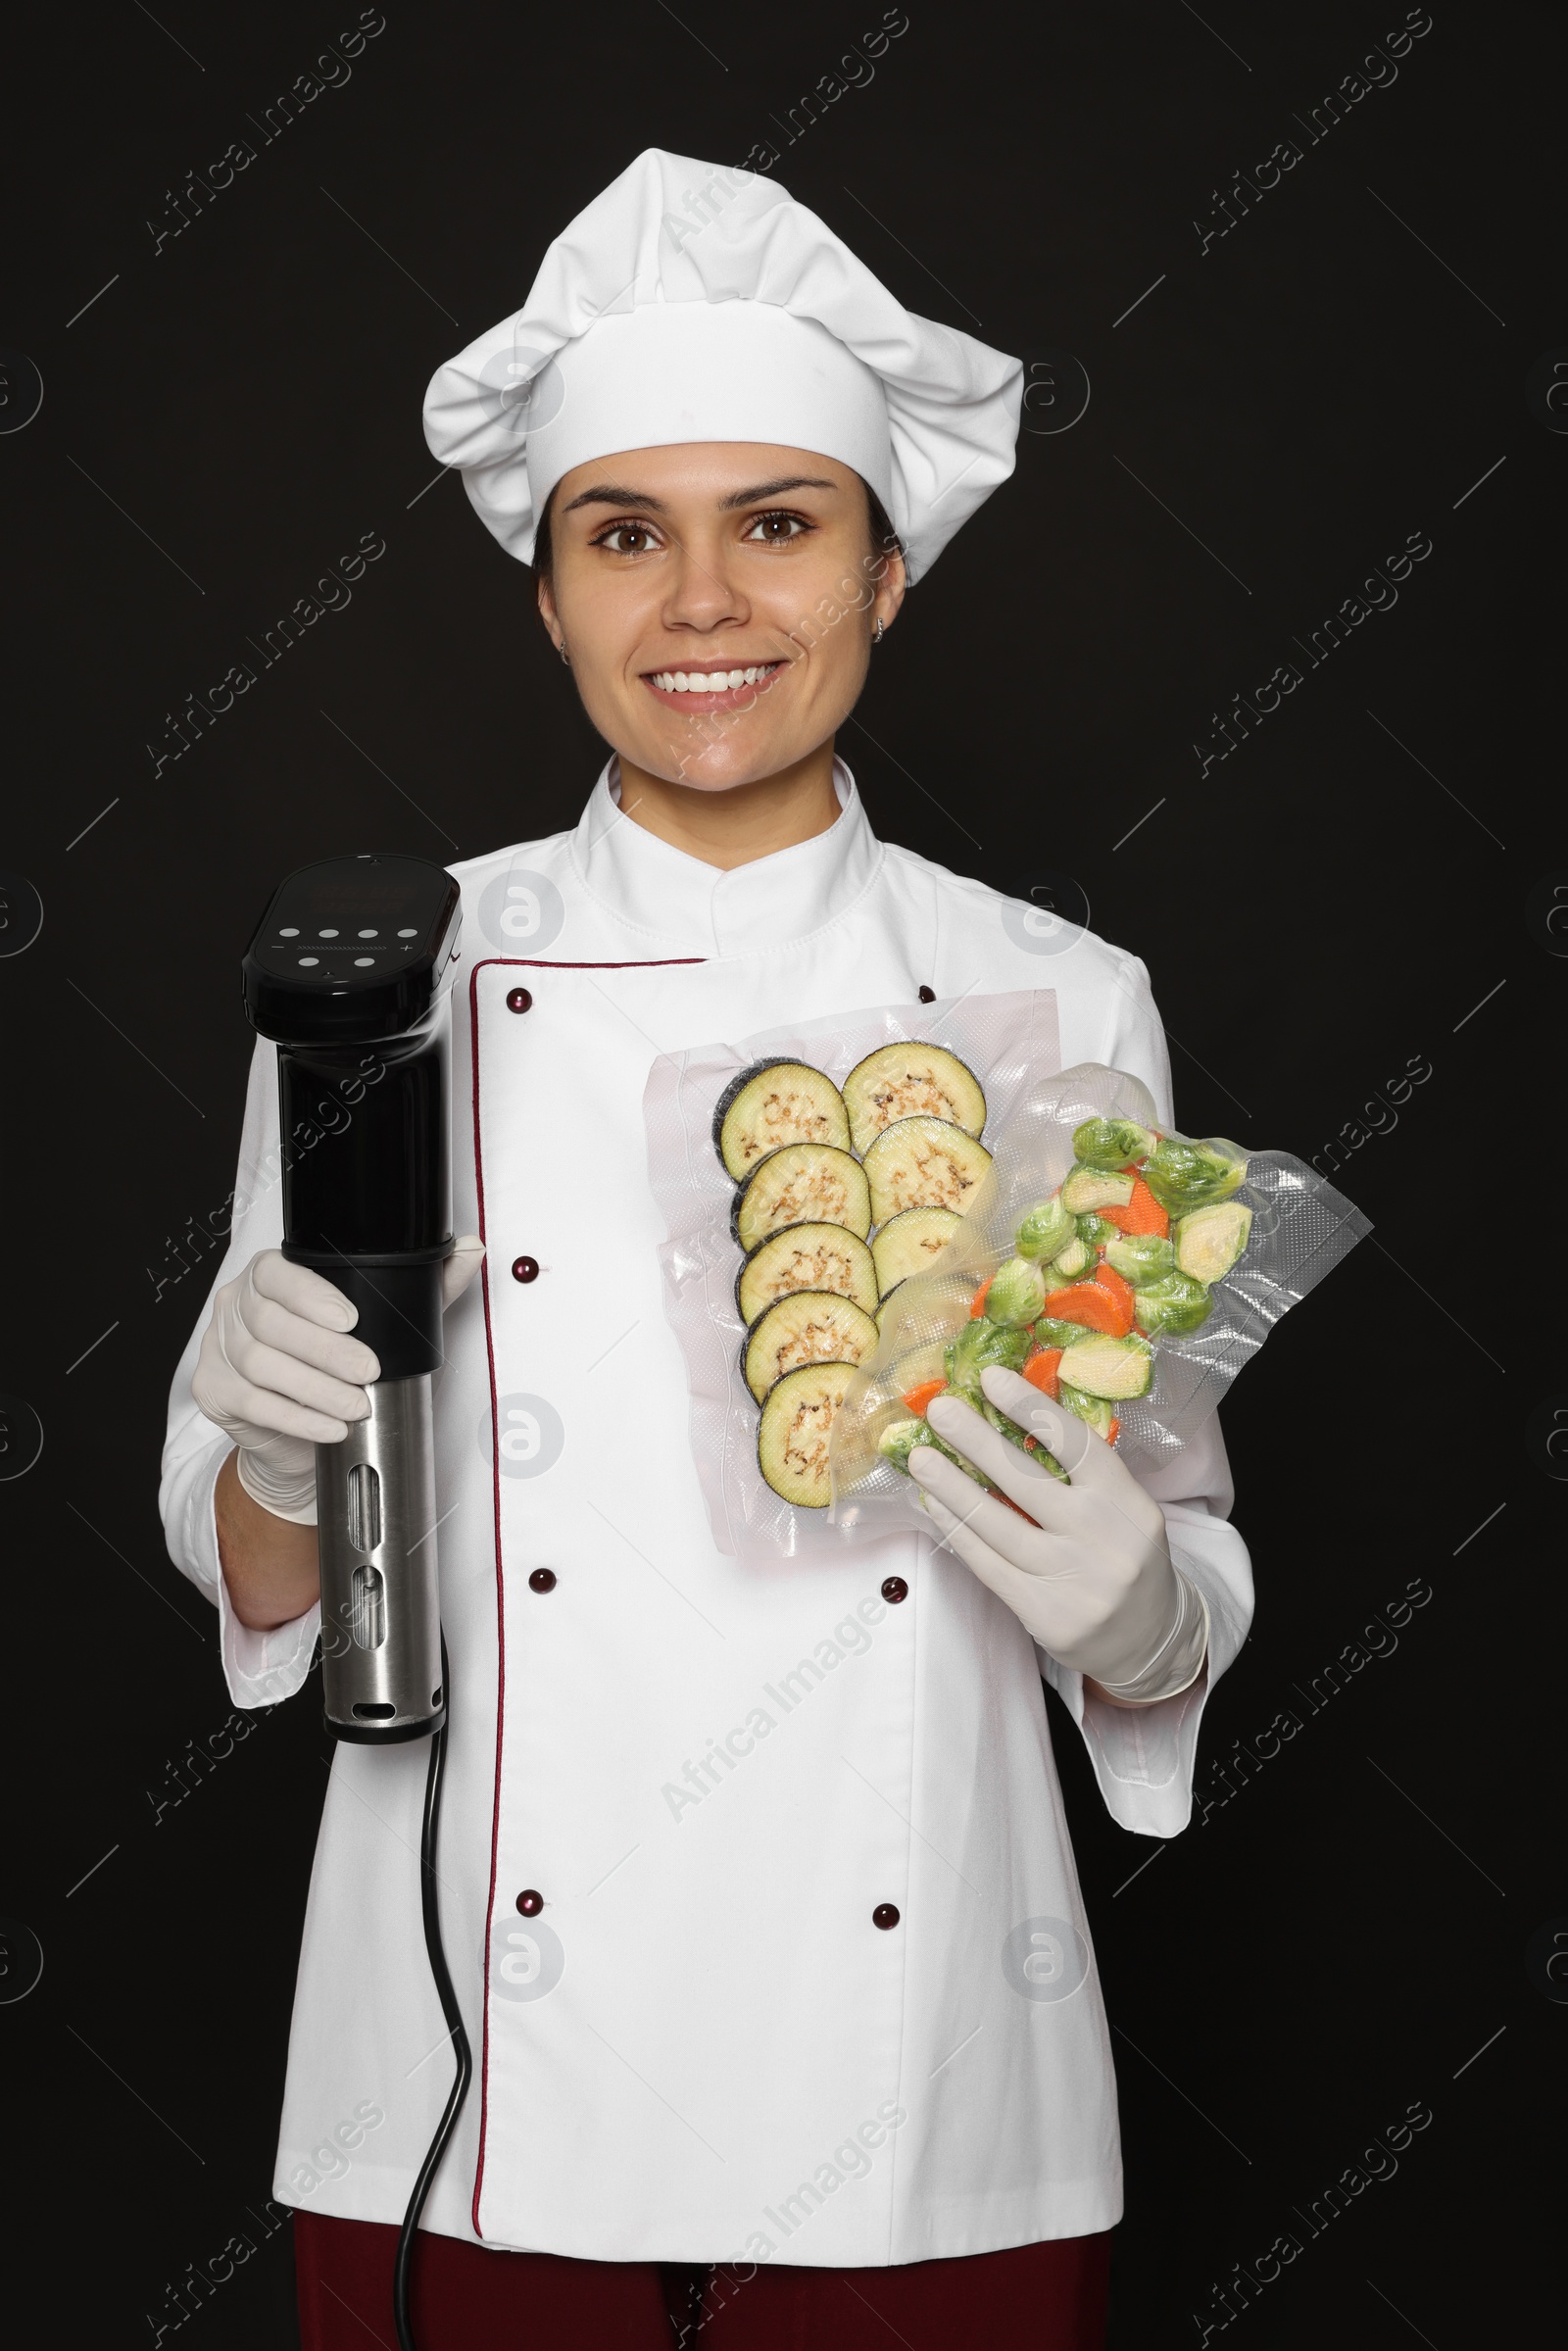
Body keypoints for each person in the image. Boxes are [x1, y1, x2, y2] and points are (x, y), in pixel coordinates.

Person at [162, 149, 1250, 2351]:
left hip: (921, 2050)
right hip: (474, 2076)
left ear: (884, 572)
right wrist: (276, 1467)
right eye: (621, 536)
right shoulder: (401, 980)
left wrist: (1130, 1597)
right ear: (547, 594)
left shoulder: (1059, 996)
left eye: (775, 522)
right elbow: (260, 1592)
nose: (701, 606)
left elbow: (1174, 1602)